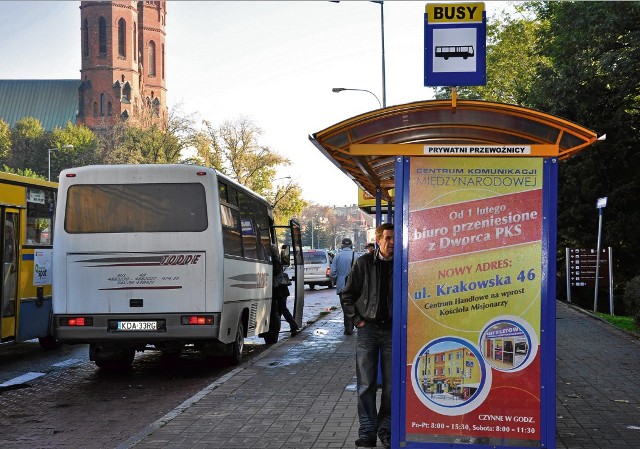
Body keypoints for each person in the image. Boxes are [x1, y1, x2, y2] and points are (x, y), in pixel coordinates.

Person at [341, 223, 394, 448]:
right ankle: (367, 431)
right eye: (388, 238)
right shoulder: (363, 263)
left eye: (395, 239)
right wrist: (358, 321)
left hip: (393, 331)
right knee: (366, 383)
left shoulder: (403, 265)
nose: (392, 243)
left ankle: (386, 429)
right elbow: (347, 295)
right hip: (368, 330)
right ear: (378, 239)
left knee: (392, 385)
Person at [271, 244, 299, 337]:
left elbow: (274, 272)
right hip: (281, 290)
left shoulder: (275, 261)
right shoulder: (277, 260)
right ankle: (276, 330)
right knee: (280, 310)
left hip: (280, 291)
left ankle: (294, 326)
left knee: (282, 309)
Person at [330, 237, 356, 335]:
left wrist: (339, 276)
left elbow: (332, 273)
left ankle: (348, 329)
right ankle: (353, 324)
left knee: (345, 308)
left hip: (342, 286)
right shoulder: (356, 255)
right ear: (351, 245)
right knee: (354, 305)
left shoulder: (337, 256)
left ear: (342, 245)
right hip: (354, 286)